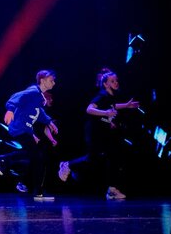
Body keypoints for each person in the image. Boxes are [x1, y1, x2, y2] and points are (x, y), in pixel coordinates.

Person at [58, 69, 139, 200]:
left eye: (116, 80)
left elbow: (113, 105)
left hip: (105, 132)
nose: (116, 82)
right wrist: (106, 114)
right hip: (95, 132)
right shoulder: (102, 95)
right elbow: (89, 109)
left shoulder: (110, 96)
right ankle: (67, 165)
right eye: (112, 81)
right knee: (93, 158)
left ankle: (112, 190)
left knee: (114, 157)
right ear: (105, 84)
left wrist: (127, 106)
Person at [0, 70, 59, 201]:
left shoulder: (39, 97)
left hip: (26, 129)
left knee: (36, 157)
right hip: (20, 127)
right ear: (42, 80)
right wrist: (10, 109)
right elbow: (17, 96)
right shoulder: (33, 92)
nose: (54, 83)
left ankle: (37, 190)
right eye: (51, 80)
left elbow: (39, 112)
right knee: (36, 156)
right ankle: (2, 159)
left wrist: (49, 122)